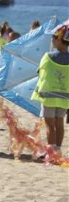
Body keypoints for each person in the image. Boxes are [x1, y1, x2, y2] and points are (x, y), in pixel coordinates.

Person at [31, 24, 69, 157]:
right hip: (65, 97)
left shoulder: (47, 57)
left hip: (49, 95)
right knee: (59, 124)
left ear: (59, 39)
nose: (52, 41)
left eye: (53, 38)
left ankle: (50, 153)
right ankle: (58, 150)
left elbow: (40, 72)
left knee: (49, 125)